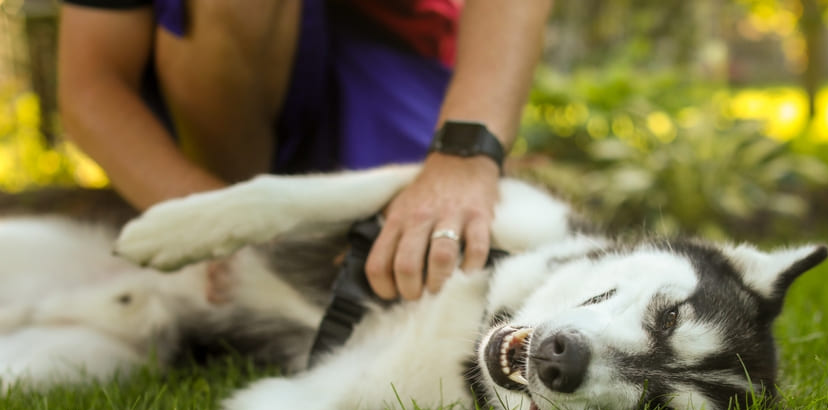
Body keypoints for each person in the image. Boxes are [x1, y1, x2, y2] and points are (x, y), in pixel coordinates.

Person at [56, 0, 552, 301]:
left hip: (388, 65)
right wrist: (208, 219)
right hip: (204, 85)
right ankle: (239, 268)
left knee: (428, 273)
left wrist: (464, 156)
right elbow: (90, 82)